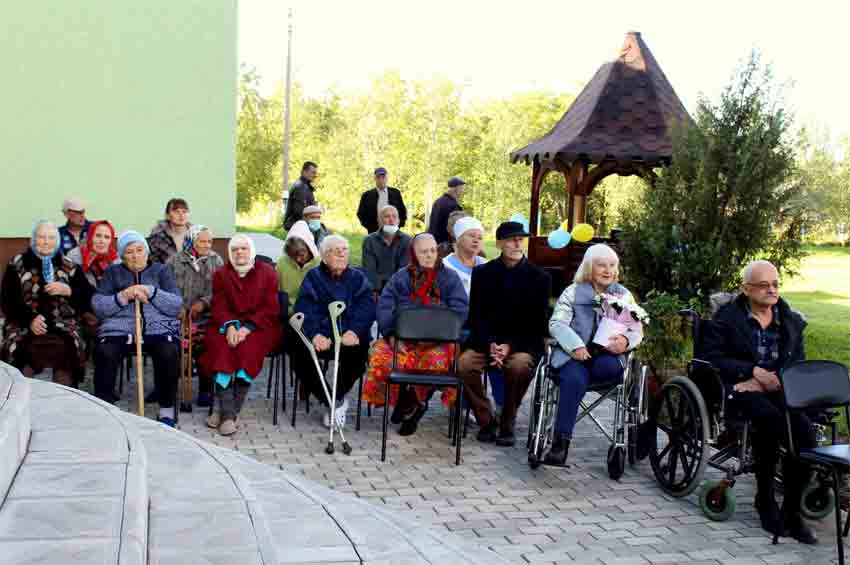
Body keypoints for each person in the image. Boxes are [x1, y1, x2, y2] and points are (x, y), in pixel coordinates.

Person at [703, 260, 816, 544]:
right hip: (740, 388)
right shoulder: (727, 318)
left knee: (805, 435)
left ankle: (791, 511)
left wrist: (774, 378)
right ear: (746, 288)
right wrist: (751, 372)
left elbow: (797, 360)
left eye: (775, 284)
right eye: (764, 285)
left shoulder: (789, 319)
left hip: (779, 387)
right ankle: (765, 500)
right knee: (772, 424)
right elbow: (713, 357)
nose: (772, 290)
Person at [544, 244, 643, 466]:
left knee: (611, 369)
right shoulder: (573, 292)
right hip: (575, 356)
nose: (607, 270)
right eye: (601, 265)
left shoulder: (623, 295)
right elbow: (557, 323)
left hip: (606, 357)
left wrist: (625, 341)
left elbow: (636, 329)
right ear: (589, 268)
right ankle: (560, 444)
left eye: (612, 265)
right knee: (573, 379)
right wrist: (576, 346)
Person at [362, 233, 468, 436]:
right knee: (382, 357)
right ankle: (406, 399)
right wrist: (392, 334)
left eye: (432, 251)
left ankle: (411, 402)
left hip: (440, 341)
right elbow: (385, 306)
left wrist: (436, 326)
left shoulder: (450, 277)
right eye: (423, 252)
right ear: (413, 253)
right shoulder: (401, 277)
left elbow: (460, 310)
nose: (429, 255)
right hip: (403, 339)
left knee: (432, 361)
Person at [459, 221, 551, 446]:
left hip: (523, 343)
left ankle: (507, 419)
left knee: (519, 366)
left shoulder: (540, 277)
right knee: (464, 364)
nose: (518, 243)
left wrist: (509, 346)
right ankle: (486, 419)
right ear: (500, 243)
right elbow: (476, 317)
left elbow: (538, 324)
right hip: (486, 342)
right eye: (512, 239)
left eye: (521, 239)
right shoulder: (482, 273)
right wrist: (490, 344)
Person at [91, 231, 183, 426]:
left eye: (139, 250)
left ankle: (167, 408)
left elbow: (175, 304)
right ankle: (104, 407)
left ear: (147, 251)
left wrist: (152, 292)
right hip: (120, 329)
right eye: (129, 252)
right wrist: (123, 296)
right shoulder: (113, 273)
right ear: (122, 256)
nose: (135, 255)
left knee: (169, 352)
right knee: (105, 351)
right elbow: (98, 305)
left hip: (158, 328)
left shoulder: (161, 271)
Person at [201, 234, 281, 436]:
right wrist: (230, 327)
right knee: (222, 350)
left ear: (251, 250)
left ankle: (226, 413)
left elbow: (270, 307)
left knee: (247, 351)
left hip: (259, 326)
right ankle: (229, 414)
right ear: (230, 253)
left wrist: (247, 328)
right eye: (235, 249)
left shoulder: (268, 273)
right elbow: (219, 305)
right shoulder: (221, 274)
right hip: (225, 325)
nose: (239, 253)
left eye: (244, 248)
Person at [292, 235, 375, 429]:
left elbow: (367, 307)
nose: (340, 253)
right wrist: (315, 334)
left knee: (358, 354)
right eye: (334, 250)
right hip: (321, 337)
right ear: (323, 256)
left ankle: (336, 397)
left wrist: (354, 331)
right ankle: (333, 401)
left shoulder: (358, 278)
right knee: (298, 351)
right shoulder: (313, 277)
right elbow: (304, 308)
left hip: (348, 337)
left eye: (344, 250)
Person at [1, 221, 92, 386]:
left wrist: (69, 291)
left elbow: (88, 298)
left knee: (68, 352)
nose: (45, 241)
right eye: (41, 237)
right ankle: (20, 397)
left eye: (51, 237)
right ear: (33, 239)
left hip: (63, 325)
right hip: (23, 325)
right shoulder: (17, 264)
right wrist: (30, 320)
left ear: (57, 241)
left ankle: (64, 400)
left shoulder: (69, 267)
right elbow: (8, 301)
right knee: (20, 353)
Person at [167, 225, 224, 407]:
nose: (207, 245)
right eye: (202, 241)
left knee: (206, 344)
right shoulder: (174, 261)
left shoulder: (217, 261)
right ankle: (171, 390)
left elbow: (221, 291)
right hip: (178, 316)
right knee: (170, 347)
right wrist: (178, 307)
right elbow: (166, 288)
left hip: (206, 317)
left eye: (209, 241)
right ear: (191, 241)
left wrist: (204, 303)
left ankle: (205, 390)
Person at [361, 205, 412, 294]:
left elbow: (404, 271)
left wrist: (392, 289)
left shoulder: (407, 241)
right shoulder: (369, 241)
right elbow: (369, 270)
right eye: (387, 216)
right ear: (379, 220)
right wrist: (377, 290)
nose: (391, 220)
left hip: (399, 289)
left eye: (394, 216)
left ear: (399, 221)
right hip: (376, 290)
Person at [276, 220, 321, 316]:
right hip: (287, 314)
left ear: (309, 248)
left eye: (302, 255)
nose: (298, 259)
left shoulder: (320, 264)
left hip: (314, 313)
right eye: (293, 256)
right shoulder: (281, 263)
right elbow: (277, 292)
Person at [66, 220, 121, 291]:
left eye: (107, 237)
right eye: (98, 236)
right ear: (90, 236)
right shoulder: (74, 256)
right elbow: (66, 284)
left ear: (111, 241)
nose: (102, 241)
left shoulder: (116, 260)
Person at [442, 216, 487, 297]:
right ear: (458, 239)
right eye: (472, 236)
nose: (476, 240)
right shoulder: (445, 266)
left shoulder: (486, 265)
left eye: (480, 238)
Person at [357, 167, 408, 234]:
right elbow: (360, 213)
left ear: (387, 178)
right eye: (378, 177)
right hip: (374, 231)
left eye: (383, 177)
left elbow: (402, 211)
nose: (381, 180)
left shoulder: (396, 193)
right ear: (375, 179)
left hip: (393, 230)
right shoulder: (367, 195)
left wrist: (398, 225)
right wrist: (369, 226)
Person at [148, 198, 193, 264]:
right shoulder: (157, 236)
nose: (181, 215)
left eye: (184, 211)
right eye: (177, 212)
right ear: (167, 216)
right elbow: (153, 262)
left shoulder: (195, 234)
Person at [428, 176, 465, 244]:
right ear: (455, 189)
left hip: (433, 243)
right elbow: (455, 229)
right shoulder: (453, 205)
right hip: (446, 246)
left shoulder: (438, 202)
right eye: (461, 188)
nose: (463, 191)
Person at [283, 161, 318, 230]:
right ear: (304, 172)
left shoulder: (305, 187)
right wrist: (312, 226)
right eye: (313, 172)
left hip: (302, 225)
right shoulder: (300, 187)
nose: (315, 175)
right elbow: (299, 212)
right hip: (298, 227)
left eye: (316, 173)